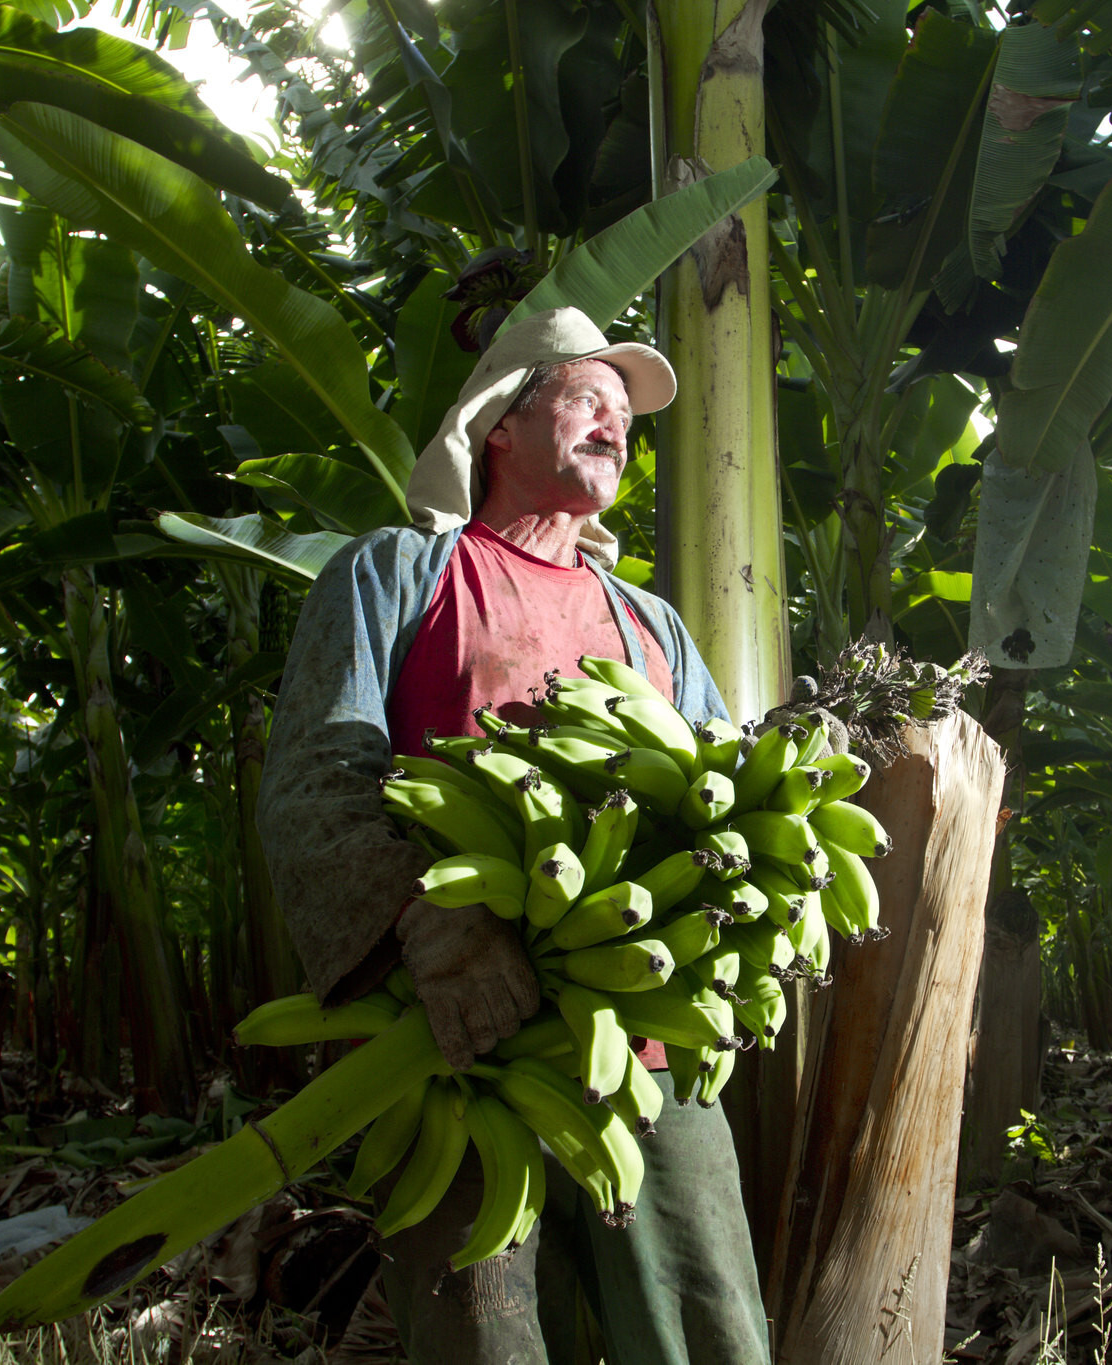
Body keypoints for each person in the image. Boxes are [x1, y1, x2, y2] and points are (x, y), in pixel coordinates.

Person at [256, 306, 771, 1364]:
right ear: (498, 424)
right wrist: (427, 918)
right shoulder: (399, 573)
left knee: (702, 1331)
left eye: (626, 419)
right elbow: (317, 775)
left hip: (644, 1047)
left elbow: (727, 803)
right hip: (452, 1036)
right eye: (588, 400)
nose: (615, 429)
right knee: (480, 1341)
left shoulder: (652, 625)